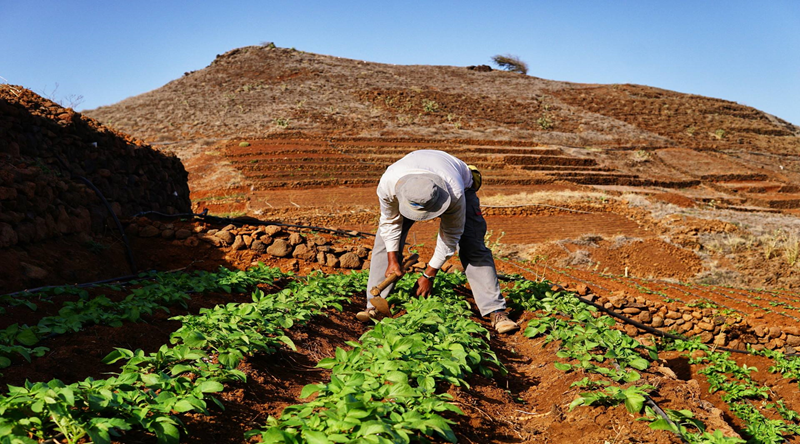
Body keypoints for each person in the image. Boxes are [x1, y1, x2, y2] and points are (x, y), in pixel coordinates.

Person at [358, 150, 519, 334]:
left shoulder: (455, 191)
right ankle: (374, 306)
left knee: (472, 246)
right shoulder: (389, 183)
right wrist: (393, 260)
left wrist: (429, 274)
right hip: (410, 183)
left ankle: (496, 311)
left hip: (458, 185)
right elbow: (389, 223)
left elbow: (451, 235)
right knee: (383, 243)